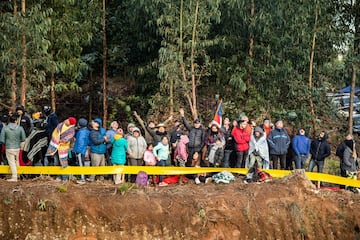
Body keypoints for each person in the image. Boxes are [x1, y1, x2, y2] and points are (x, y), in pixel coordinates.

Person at [0, 114, 26, 181]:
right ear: (16, 121)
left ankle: (14, 177)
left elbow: (2, 140)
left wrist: (6, 143)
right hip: (17, 147)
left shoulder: (5, 128)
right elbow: (23, 138)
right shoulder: (20, 128)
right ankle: (19, 175)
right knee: (17, 161)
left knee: (12, 162)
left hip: (9, 148)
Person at [73, 118, 90, 184]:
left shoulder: (81, 132)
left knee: (81, 164)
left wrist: (78, 151)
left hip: (81, 150)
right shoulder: (87, 131)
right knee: (84, 163)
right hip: (85, 149)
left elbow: (80, 142)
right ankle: (84, 177)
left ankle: (82, 179)